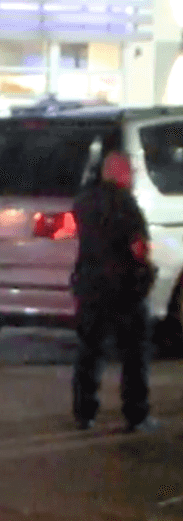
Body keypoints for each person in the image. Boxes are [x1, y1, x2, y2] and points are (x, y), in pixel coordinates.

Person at [71, 149, 160, 433]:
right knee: (134, 355)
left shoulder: (85, 201)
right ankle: (136, 413)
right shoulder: (127, 204)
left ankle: (85, 412)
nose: (133, 176)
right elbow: (138, 248)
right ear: (120, 172)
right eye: (130, 171)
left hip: (90, 286)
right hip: (124, 289)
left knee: (89, 352)